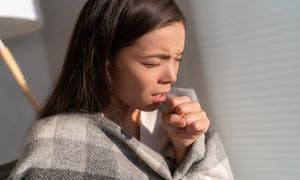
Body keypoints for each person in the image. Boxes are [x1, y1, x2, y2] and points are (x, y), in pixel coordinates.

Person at [9, 0, 234, 179]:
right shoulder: (57, 141)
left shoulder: (185, 114)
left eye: (178, 59)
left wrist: (184, 147)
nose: (171, 76)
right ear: (103, 59)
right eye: (153, 63)